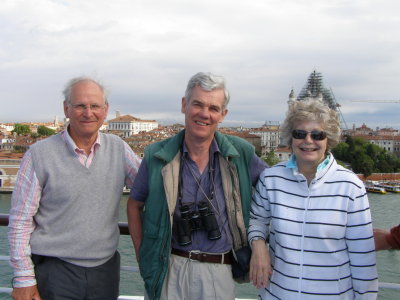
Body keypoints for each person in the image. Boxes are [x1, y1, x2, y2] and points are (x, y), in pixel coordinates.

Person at [127, 72, 268, 300]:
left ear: (223, 115)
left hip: (219, 270)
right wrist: (143, 253)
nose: (205, 114)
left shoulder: (241, 153)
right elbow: (134, 205)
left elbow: (276, 191)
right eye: (197, 104)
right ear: (184, 105)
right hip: (168, 267)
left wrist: (260, 243)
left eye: (213, 108)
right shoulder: (156, 155)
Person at [8, 77, 141, 300]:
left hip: (105, 271)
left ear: (105, 110)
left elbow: (149, 187)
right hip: (55, 271)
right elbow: (21, 220)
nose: (88, 113)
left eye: (95, 106)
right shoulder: (39, 155)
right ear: (66, 109)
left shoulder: (119, 149)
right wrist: (23, 278)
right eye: (80, 105)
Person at [248, 98, 379, 299]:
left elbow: (363, 260)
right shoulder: (271, 178)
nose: (308, 140)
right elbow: (257, 219)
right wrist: (258, 245)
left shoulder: (351, 187)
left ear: (329, 140)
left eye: (317, 134)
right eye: (300, 134)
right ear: (291, 138)